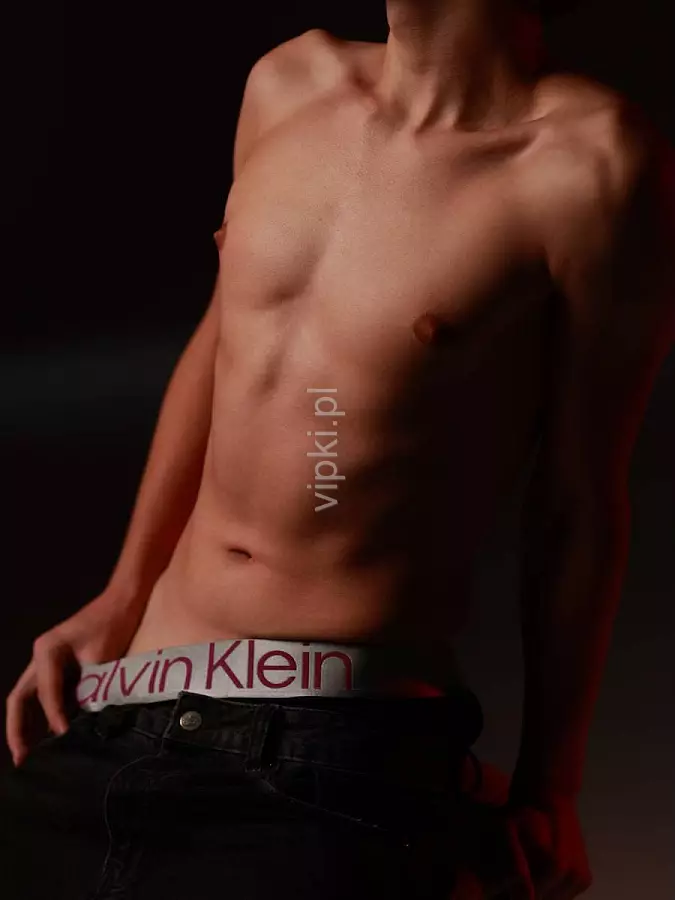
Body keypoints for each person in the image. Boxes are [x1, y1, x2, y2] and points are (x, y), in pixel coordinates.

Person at [3, 1, 674, 898]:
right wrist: (122, 594)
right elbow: (225, 336)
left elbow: (579, 501)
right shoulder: (289, 82)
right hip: (134, 693)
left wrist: (549, 785)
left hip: (332, 743)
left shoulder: (592, 164)